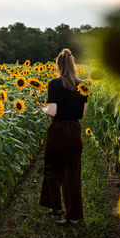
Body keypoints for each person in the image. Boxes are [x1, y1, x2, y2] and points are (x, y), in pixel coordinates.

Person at [39, 48, 88, 225]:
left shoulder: (53, 84)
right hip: (74, 129)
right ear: (73, 65)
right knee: (72, 173)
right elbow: (82, 114)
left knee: (52, 169)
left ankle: (56, 207)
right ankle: (74, 217)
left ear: (58, 65)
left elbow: (52, 111)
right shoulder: (83, 85)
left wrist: (42, 109)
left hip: (58, 129)